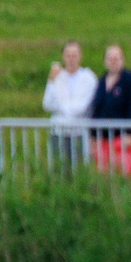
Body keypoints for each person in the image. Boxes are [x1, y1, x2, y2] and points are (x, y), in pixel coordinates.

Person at [89, 44, 131, 176]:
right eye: (110, 58)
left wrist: (130, 133)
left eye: (116, 58)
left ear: (122, 60)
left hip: (123, 137)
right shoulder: (102, 81)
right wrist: (93, 136)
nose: (113, 61)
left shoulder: (129, 80)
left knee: (126, 174)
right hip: (103, 139)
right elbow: (96, 109)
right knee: (104, 175)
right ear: (105, 61)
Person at [42, 41, 95, 169]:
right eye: (68, 55)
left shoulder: (88, 78)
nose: (71, 59)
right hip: (58, 131)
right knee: (59, 167)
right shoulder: (57, 76)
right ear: (63, 56)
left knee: (81, 168)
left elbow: (83, 107)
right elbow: (47, 104)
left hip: (79, 132)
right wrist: (51, 81)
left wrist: (61, 107)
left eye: (74, 55)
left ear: (80, 56)